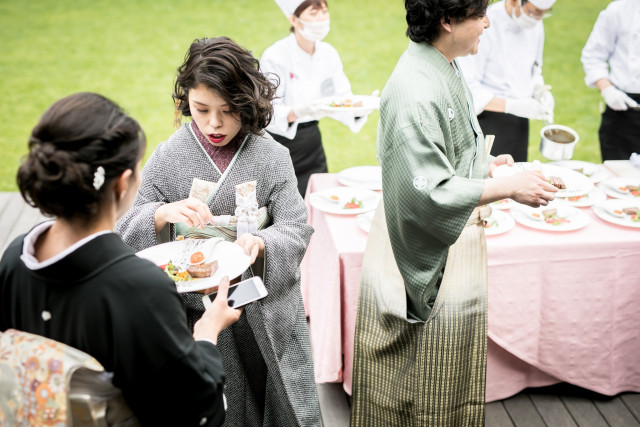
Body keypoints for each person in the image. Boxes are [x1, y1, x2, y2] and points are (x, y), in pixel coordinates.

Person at [350, 0, 558, 425]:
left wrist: (485, 166)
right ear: (446, 21)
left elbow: (448, 156)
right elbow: (429, 191)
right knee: (416, 383)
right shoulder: (415, 90)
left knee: (447, 373)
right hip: (420, 242)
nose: (487, 22)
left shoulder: (441, 63)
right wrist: (508, 187)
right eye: (478, 14)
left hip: (447, 235)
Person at [0, 92, 242, 426]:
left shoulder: (15, 258)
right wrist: (206, 332)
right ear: (122, 184)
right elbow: (197, 411)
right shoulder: (140, 287)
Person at [116, 37, 321, 426]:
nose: (214, 123)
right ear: (185, 102)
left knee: (276, 401)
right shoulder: (167, 157)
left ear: (249, 105)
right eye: (201, 109)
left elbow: (296, 227)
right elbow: (125, 229)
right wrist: (160, 214)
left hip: (259, 301)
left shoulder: (273, 157)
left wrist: (263, 243)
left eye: (228, 111)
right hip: (195, 311)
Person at [260, 0, 376, 196]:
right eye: (313, 13)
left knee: (317, 199)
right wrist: (297, 112)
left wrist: (358, 109)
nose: (321, 19)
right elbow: (266, 112)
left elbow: (341, 98)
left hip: (312, 141)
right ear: (293, 19)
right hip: (279, 145)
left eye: (324, 11)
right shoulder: (275, 56)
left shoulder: (328, 53)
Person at [457, 0, 556, 162]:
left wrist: (540, 89)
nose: (539, 18)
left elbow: (535, 66)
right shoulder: (485, 23)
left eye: (544, 13)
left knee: (518, 173)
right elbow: (468, 88)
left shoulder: (535, 23)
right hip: (487, 120)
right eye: (535, 12)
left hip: (520, 118)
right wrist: (511, 105)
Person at [581, 0, 640, 161]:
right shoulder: (618, 10)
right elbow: (593, 55)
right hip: (623, 109)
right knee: (619, 180)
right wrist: (607, 89)